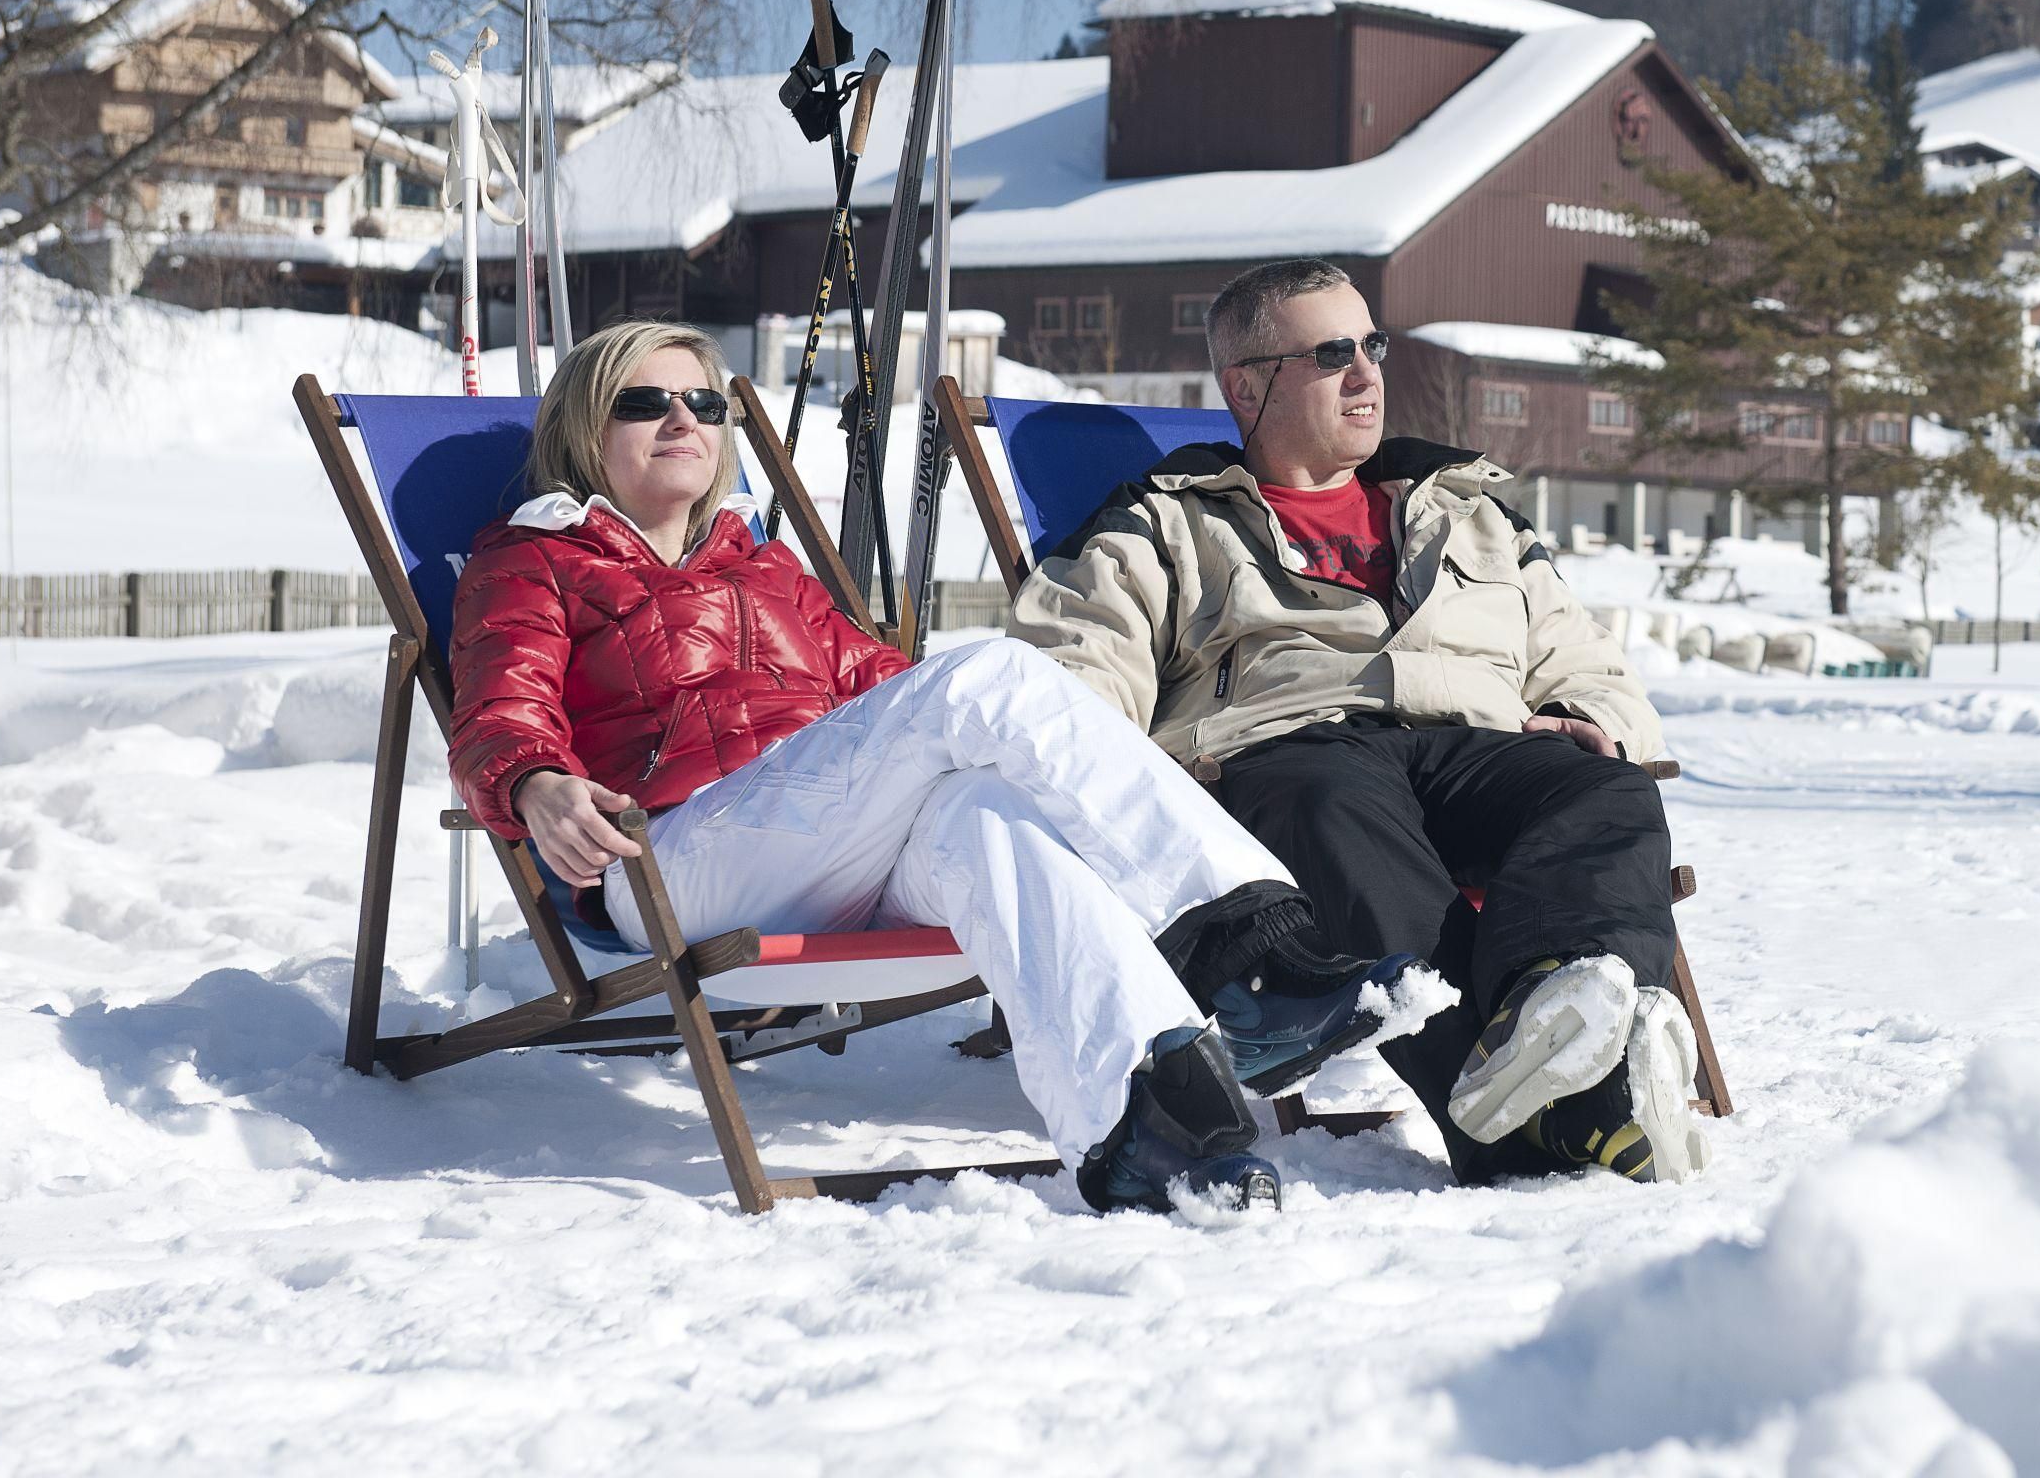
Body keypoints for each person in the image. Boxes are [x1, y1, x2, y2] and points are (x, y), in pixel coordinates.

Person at [445, 319, 1434, 1215]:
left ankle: (1149, 1122)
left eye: (705, 402)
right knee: (988, 677)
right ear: (584, 427)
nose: (683, 420)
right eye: (645, 401)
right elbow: (498, 714)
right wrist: (534, 782)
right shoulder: (533, 560)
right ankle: (1252, 954)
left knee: (984, 807)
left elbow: (889, 694)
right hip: (671, 859)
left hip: (826, 847)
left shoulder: (765, 565)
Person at [1011, 260, 1708, 1186]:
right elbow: (1073, 682)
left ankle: (1561, 1007)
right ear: (1246, 387)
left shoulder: (1471, 512)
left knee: (1607, 791)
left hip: (1477, 749)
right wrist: (1159, 801)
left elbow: (1589, 663)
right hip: (1293, 753)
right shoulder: (1163, 523)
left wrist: (1585, 717)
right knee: (1331, 804)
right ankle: (1557, 1116)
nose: (1367, 374)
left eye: (1371, 346)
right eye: (1331, 354)